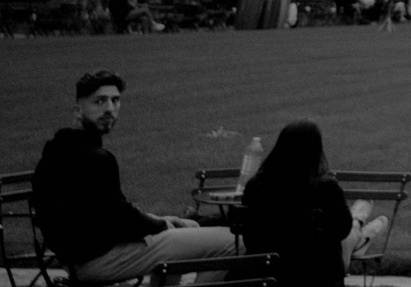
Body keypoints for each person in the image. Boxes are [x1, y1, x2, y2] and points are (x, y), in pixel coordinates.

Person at [33, 71, 243, 282]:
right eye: (99, 101)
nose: (109, 109)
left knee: (181, 237)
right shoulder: (94, 158)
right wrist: (161, 225)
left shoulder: (59, 149)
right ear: (78, 110)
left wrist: (159, 221)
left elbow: (109, 214)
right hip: (100, 260)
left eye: (115, 101)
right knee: (234, 242)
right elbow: (122, 220)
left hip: (79, 259)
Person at [233, 121, 388, 287]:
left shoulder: (256, 186)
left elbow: (250, 237)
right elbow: (342, 229)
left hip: (269, 272)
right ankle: (363, 228)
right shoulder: (325, 187)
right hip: (318, 273)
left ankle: (362, 223)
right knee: (349, 233)